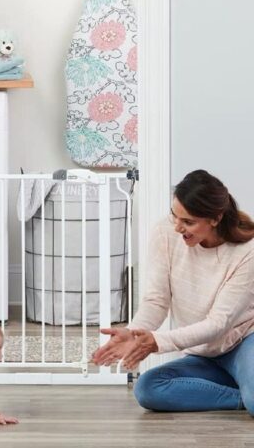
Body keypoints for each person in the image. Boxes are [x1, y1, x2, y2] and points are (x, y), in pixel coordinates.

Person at [93, 169, 254, 414]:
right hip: (203, 353)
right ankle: (242, 395)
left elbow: (219, 323)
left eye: (188, 222)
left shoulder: (247, 252)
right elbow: (156, 300)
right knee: (148, 388)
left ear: (215, 219)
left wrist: (157, 342)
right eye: (174, 216)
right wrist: (134, 334)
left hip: (243, 343)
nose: (177, 227)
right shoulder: (165, 232)